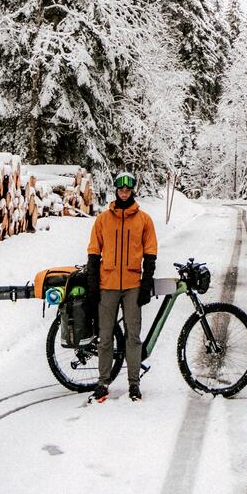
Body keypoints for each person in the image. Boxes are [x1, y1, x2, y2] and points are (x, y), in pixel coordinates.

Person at [86, 171, 158, 402]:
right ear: (116, 191)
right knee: (105, 336)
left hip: (132, 286)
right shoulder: (103, 220)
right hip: (107, 285)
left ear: (132, 190)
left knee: (133, 336)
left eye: (128, 189)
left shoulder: (144, 220)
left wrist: (146, 283)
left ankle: (134, 384)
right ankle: (103, 383)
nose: (124, 193)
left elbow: (150, 254)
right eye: (121, 189)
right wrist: (93, 284)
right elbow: (94, 253)